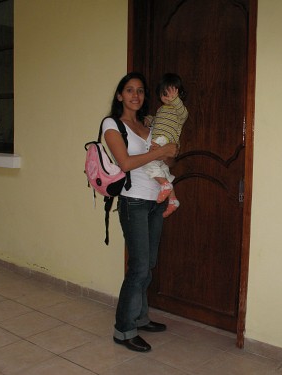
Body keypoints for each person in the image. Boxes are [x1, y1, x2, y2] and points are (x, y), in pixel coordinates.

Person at [102, 72, 178, 352]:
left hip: (156, 200)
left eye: (141, 91)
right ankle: (123, 329)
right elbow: (124, 163)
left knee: (149, 264)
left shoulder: (148, 124)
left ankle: (140, 317)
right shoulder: (112, 124)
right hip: (133, 201)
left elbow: (168, 156)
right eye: (130, 90)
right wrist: (161, 153)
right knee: (138, 267)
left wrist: (170, 151)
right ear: (120, 95)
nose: (136, 95)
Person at [143, 73, 188, 218]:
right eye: (164, 94)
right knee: (163, 170)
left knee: (147, 162)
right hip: (161, 141)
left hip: (165, 141)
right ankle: (173, 199)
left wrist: (176, 101)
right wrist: (149, 120)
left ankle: (164, 185)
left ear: (179, 95)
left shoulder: (179, 111)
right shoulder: (161, 110)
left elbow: (184, 113)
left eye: (172, 94)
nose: (168, 98)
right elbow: (157, 121)